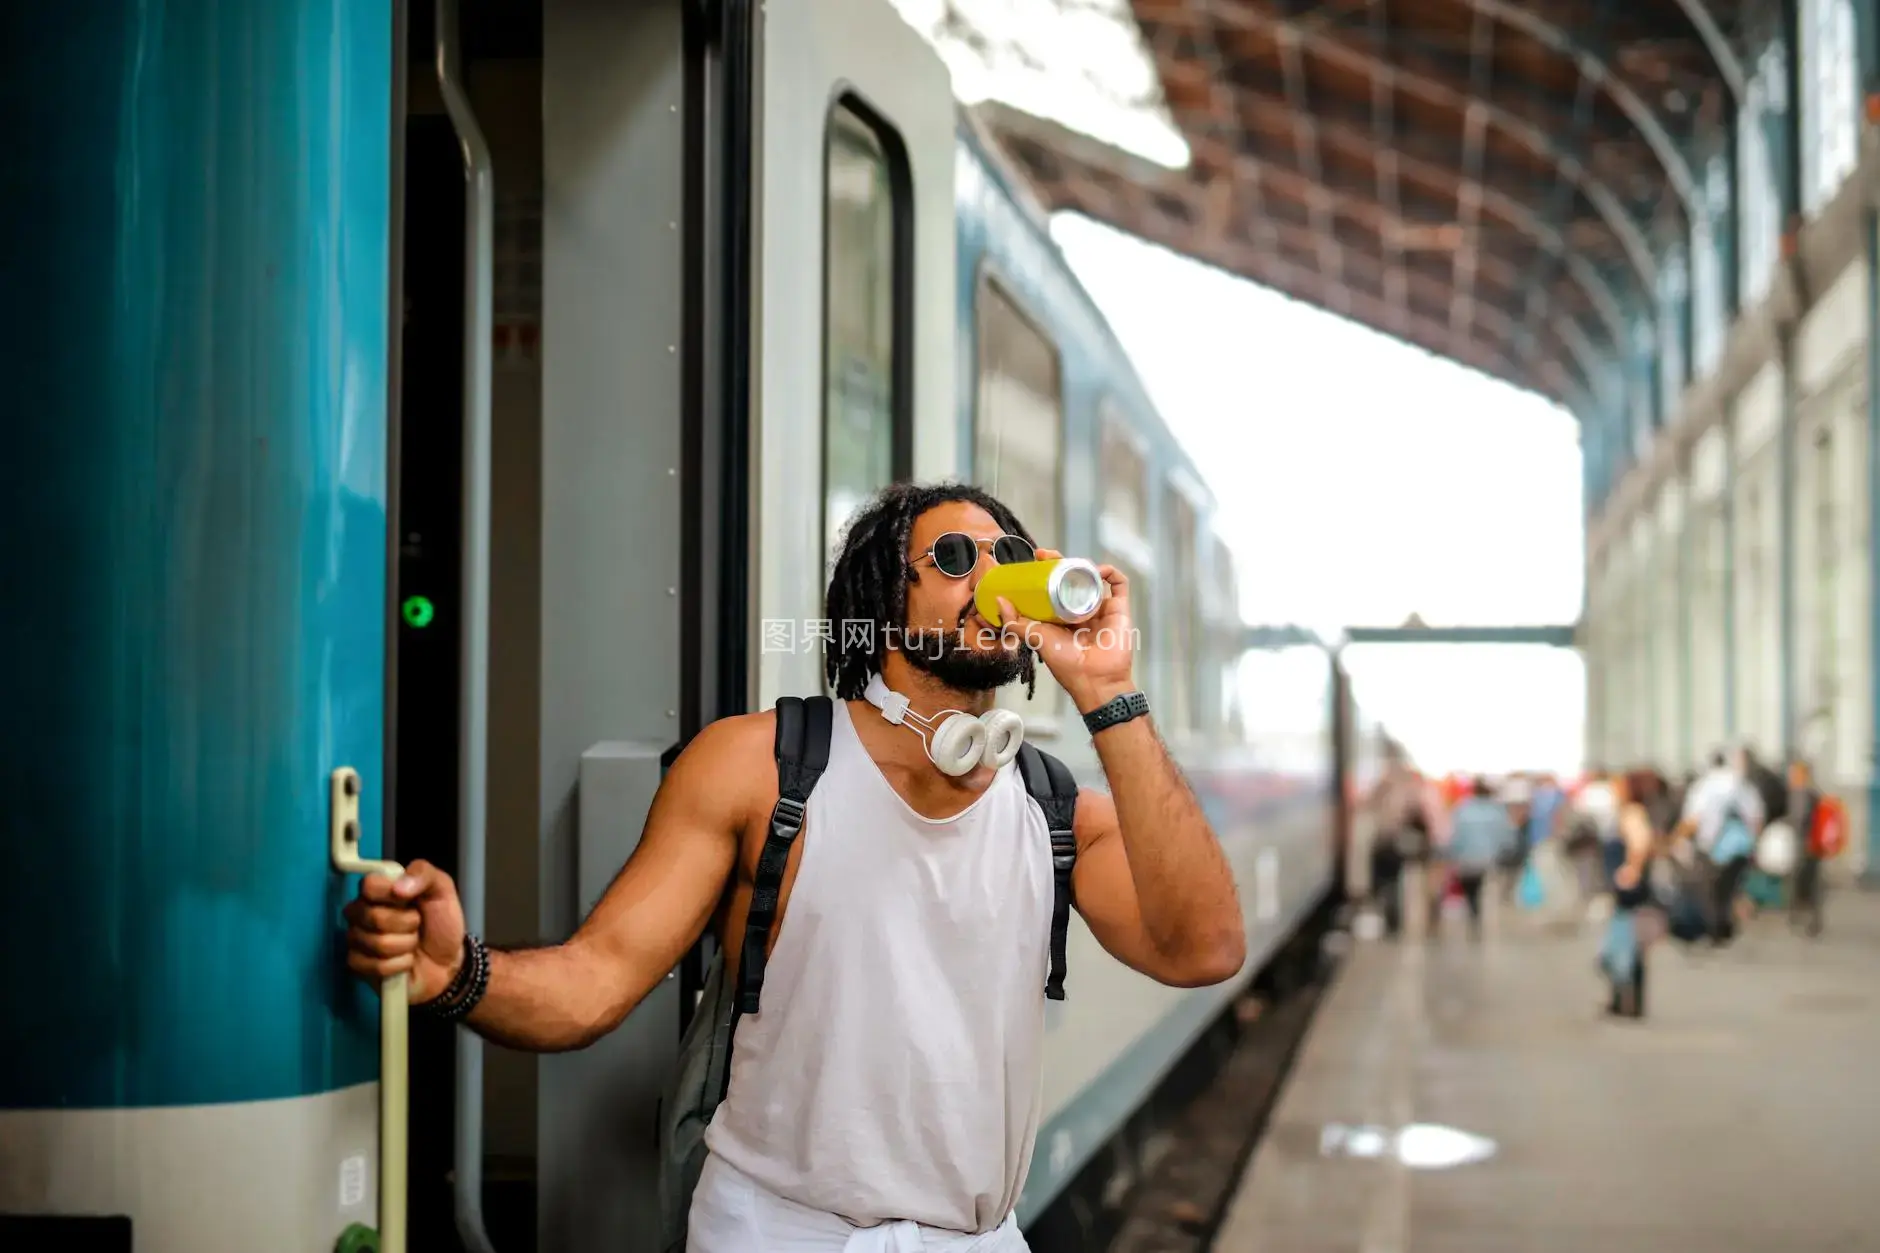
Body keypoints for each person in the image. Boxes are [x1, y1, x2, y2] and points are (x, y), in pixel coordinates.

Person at [341, 482, 1248, 1251]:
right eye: (957, 560)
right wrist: (458, 974)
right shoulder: (761, 766)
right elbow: (595, 982)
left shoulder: (1053, 811)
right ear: (882, 601)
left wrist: (1106, 690)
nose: (992, 578)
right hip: (775, 1232)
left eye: (1009, 555)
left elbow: (1204, 947)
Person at [1444, 777, 1517, 939]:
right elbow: (1506, 835)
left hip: (1467, 858)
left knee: (1471, 888)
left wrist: (1452, 854)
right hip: (1489, 858)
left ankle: (1474, 913)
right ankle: (1478, 914)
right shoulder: (1497, 810)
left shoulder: (1462, 809)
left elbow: (1455, 835)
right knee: (1484, 888)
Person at [1786, 758, 1825, 937]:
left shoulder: (1801, 793)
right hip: (1814, 845)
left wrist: (1788, 824)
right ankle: (1810, 919)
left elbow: (1799, 819)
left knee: (1800, 880)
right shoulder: (1813, 793)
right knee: (1811, 882)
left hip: (1804, 844)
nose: (1790, 776)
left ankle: (1803, 917)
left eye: (1794, 773)